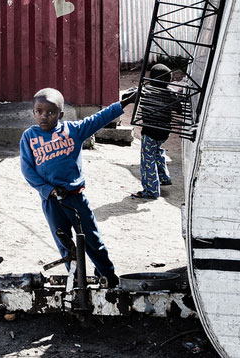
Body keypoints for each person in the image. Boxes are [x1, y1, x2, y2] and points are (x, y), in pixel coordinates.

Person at [19, 86, 138, 286]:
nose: (44, 117)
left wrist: (123, 103)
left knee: (92, 241)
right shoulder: (29, 137)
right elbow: (28, 170)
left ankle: (108, 277)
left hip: (75, 198)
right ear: (33, 112)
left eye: (51, 112)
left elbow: (99, 118)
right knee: (65, 244)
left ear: (61, 114)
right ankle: (76, 281)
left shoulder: (73, 131)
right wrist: (48, 189)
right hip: (51, 202)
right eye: (39, 112)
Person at [131, 64, 183, 199]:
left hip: (150, 131)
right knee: (158, 150)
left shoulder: (146, 91)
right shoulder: (170, 92)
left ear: (152, 79)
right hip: (164, 132)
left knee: (147, 159)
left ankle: (151, 190)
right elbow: (179, 109)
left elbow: (132, 97)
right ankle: (164, 177)